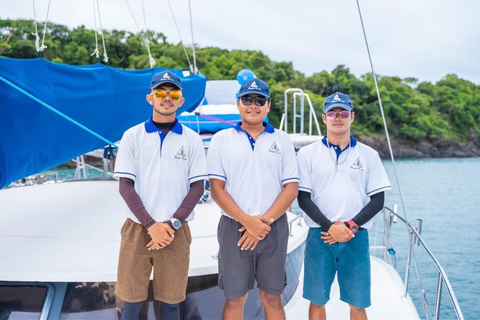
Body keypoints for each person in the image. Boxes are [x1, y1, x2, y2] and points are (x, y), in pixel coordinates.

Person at [113, 70, 207, 320]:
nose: (167, 97)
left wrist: (172, 223)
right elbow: (125, 187)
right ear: (150, 98)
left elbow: (197, 187)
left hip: (176, 229)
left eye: (173, 92)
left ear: (181, 100)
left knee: (171, 302)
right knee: (131, 301)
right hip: (137, 228)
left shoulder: (193, 140)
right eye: (161, 93)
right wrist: (151, 225)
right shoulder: (132, 137)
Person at [207, 78, 299, 320]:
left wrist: (261, 224)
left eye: (260, 100)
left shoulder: (283, 140)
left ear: (268, 105)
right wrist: (247, 222)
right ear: (238, 104)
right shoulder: (221, 139)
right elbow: (217, 189)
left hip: (274, 226)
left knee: (272, 297)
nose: (253, 105)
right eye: (247, 99)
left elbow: (290, 188)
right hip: (233, 227)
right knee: (235, 298)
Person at [297, 92, 391, 320]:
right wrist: (330, 226)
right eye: (332, 112)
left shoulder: (369, 155)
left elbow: (378, 200)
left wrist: (349, 226)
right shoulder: (307, 154)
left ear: (352, 117)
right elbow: (302, 198)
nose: (337, 117)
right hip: (319, 235)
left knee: (357, 303)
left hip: (355, 236)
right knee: (317, 300)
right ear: (324, 118)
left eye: (343, 112)